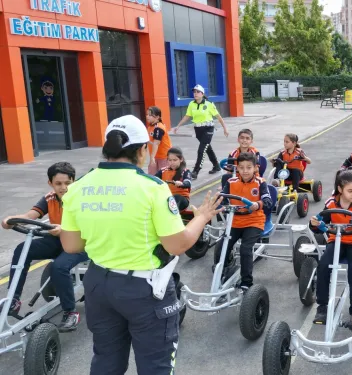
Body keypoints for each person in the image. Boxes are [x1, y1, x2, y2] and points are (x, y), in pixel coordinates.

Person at [59, 115, 224, 375]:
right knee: (155, 366)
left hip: (98, 285)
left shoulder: (78, 187)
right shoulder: (153, 188)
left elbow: (71, 245)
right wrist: (202, 217)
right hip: (143, 290)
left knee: (106, 361)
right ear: (141, 150)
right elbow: (177, 244)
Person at [1, 162, 88, 332]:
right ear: (51, 184)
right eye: (58, 184)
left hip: (81, 243)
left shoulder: (82, 199)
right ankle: (14, 300)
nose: (63, 188)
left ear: (74, 181)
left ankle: (70, 312)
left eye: (67, 183)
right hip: (58, 241)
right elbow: (28, 216)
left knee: (59, 267)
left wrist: (63, 229)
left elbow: (89, 225)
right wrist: (10, 220)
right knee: (21, 249)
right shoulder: (49, 199)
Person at [310, 170, 352, 329]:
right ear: (340, 189)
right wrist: (314, 223)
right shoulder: (331, 203)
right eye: (350, 191)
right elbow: (319, 225)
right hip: (336, 239)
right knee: (323, 265)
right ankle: (322, 307)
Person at [219, 152, 273, 290]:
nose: (245, 171)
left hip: (254, 221)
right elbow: (222, 199)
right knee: (222, 245)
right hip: (235, 221)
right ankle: (221, 273)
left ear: (255, 168)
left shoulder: (260, 183)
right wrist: (220, 205)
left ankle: (246, 282)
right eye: (241, 167)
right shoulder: (230, 182)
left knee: (245, 248)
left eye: (248, 167)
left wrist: (257, 204)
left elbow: (268, 201)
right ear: (237, 168)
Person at [173, 84, 229, 180]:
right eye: (194, 92)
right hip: (198, 130)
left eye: (198, 92)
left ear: (202, 94)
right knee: (207, 148)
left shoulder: (209, 104)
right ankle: (216, 165)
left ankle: (195, 171)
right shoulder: (191, 104)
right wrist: (178, 126)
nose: (195, 94)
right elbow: (187, 116)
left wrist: (225, 128)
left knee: (201, 150)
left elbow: (218, 117)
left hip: (208, 128)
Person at [155, 147, 192, 212]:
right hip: (166, 198)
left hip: (181, 200)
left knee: (175, 198)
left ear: (181, 159)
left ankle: (171, 216)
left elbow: (188, 183)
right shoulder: (162, 171)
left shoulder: (185, 171)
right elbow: (153, 179)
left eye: (175, 160)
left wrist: (181, 183)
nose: (172, 163)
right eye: (170, 160)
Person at [146, 106, 172, 175]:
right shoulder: (150, 127)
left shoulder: (159, 127)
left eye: (150, 115)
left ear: (157, 117)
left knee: (164, 177)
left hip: (163, 157)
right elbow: (150, 141)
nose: (147, 116)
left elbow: (156, 143)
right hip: (155, 157)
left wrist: (152, 157)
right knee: (152, 176)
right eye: (147, 114)